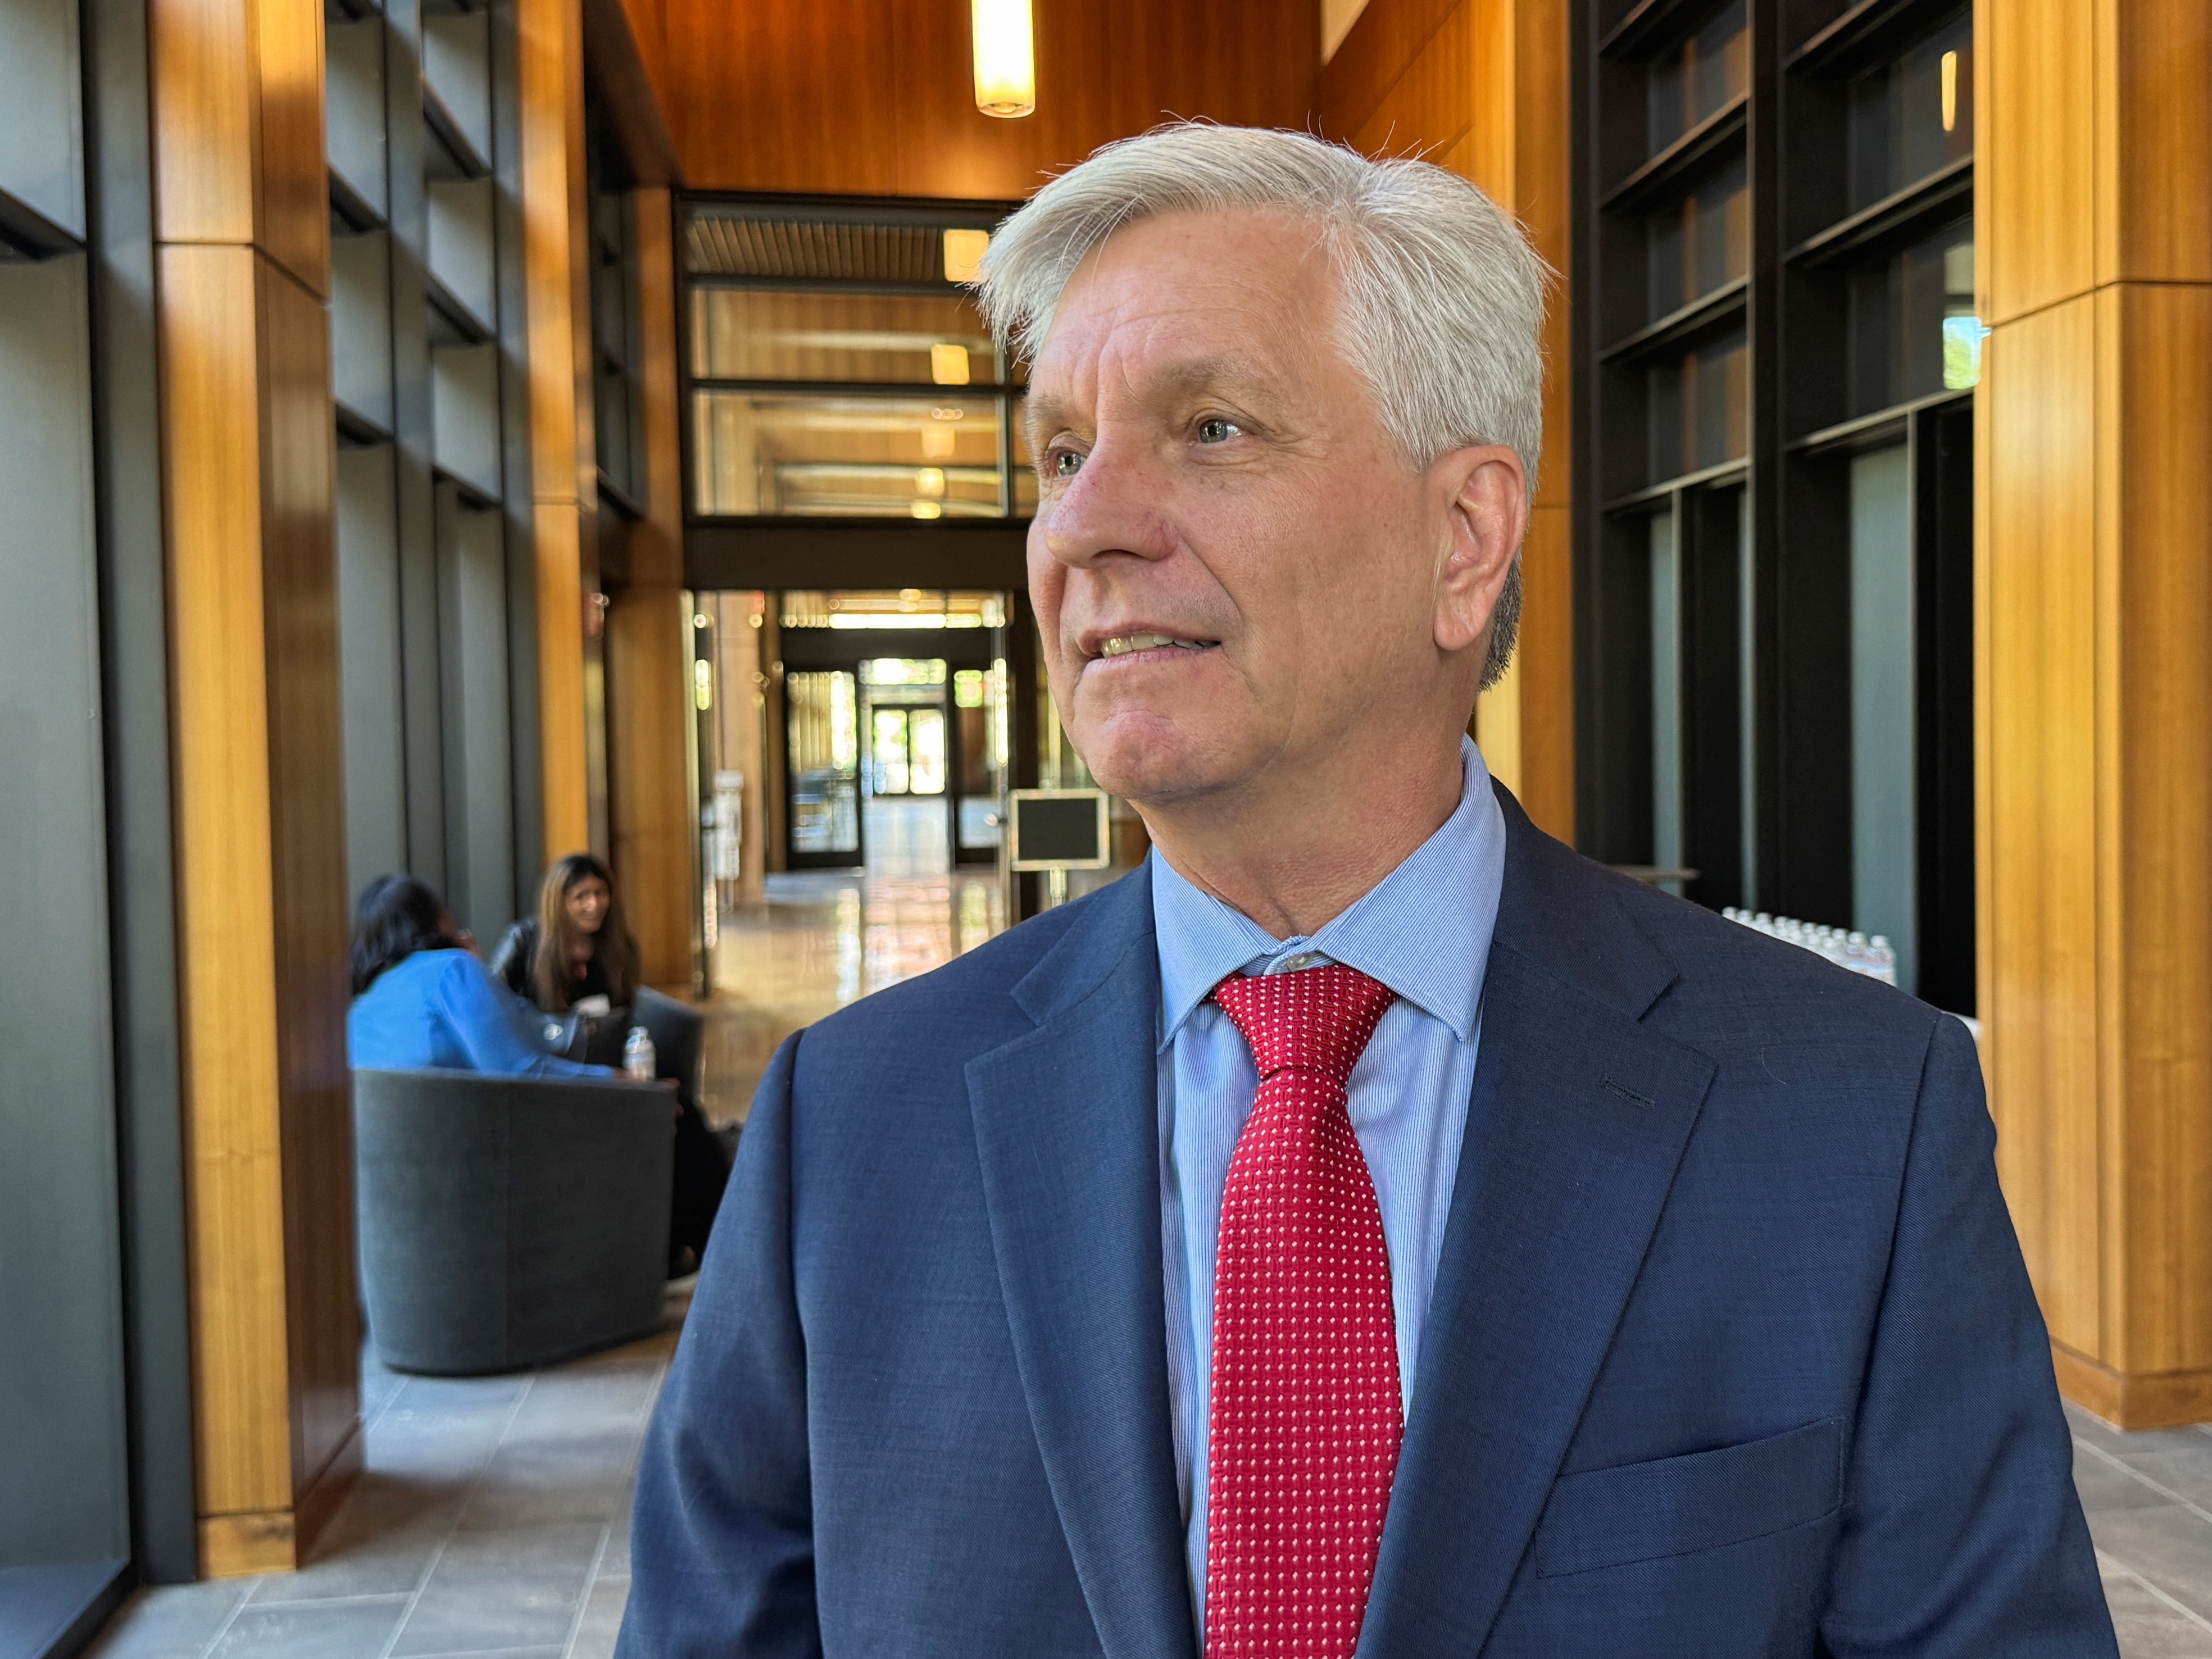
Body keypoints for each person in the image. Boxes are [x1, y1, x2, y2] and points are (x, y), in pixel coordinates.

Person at [619, 126, 2114, 1657]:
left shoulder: (1852, 1117)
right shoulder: (846, 1127)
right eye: (1061, 453)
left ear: (1462, 539)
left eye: (1209, 428)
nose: (1081, 524)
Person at [347, 874, 611, 1079]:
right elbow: (519, 1073)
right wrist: (616, 1079)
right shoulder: (451, 968)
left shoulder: (362, 1002)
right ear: (435, 919)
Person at [489, 852, 639, 1015]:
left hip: (604, 1031)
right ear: (558, 902)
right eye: (581, 897)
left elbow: (628, 1007)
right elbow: (491, 999)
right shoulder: (523, 939)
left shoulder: (621, 944)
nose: (594, 904)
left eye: (600, 893)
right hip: (537, 1031)